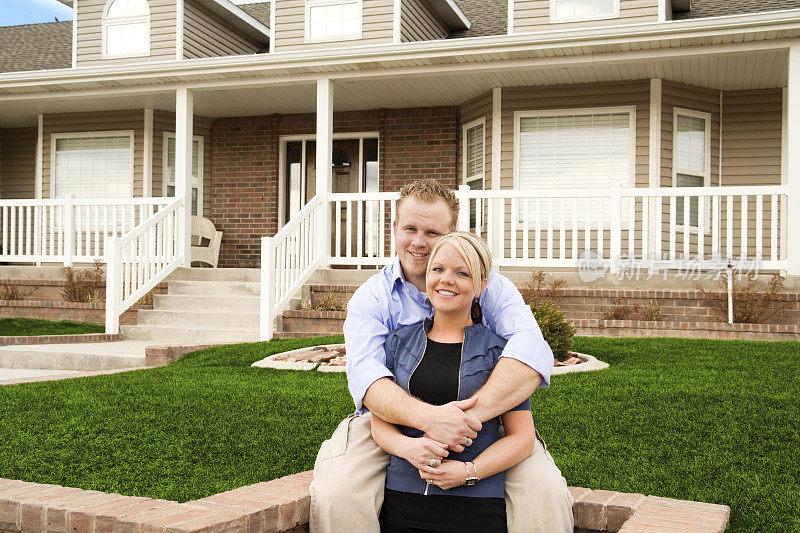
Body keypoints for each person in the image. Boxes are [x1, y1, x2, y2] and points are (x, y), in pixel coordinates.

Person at [309, 179, 573, 533]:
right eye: (410, 229)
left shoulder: (488, 285)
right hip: (387, 419)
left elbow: (530, 351)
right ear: (394, 229)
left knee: (546, 494)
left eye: (431, 232)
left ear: (451, 235)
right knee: (336, 494)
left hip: (484, 418)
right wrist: (430, 420)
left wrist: (463, 420)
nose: (418, 242)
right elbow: (369, 383)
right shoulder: (371, 300)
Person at [373, 232, 535, 532]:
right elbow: (381, 421)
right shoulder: (399, 342)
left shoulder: (500, 353)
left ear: (480, 286)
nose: (446, 280)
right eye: (438, 269)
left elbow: (522, 438)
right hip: (402, 499)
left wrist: (468, 472)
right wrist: (407, 448)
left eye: (462, 273)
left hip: (476, 504)